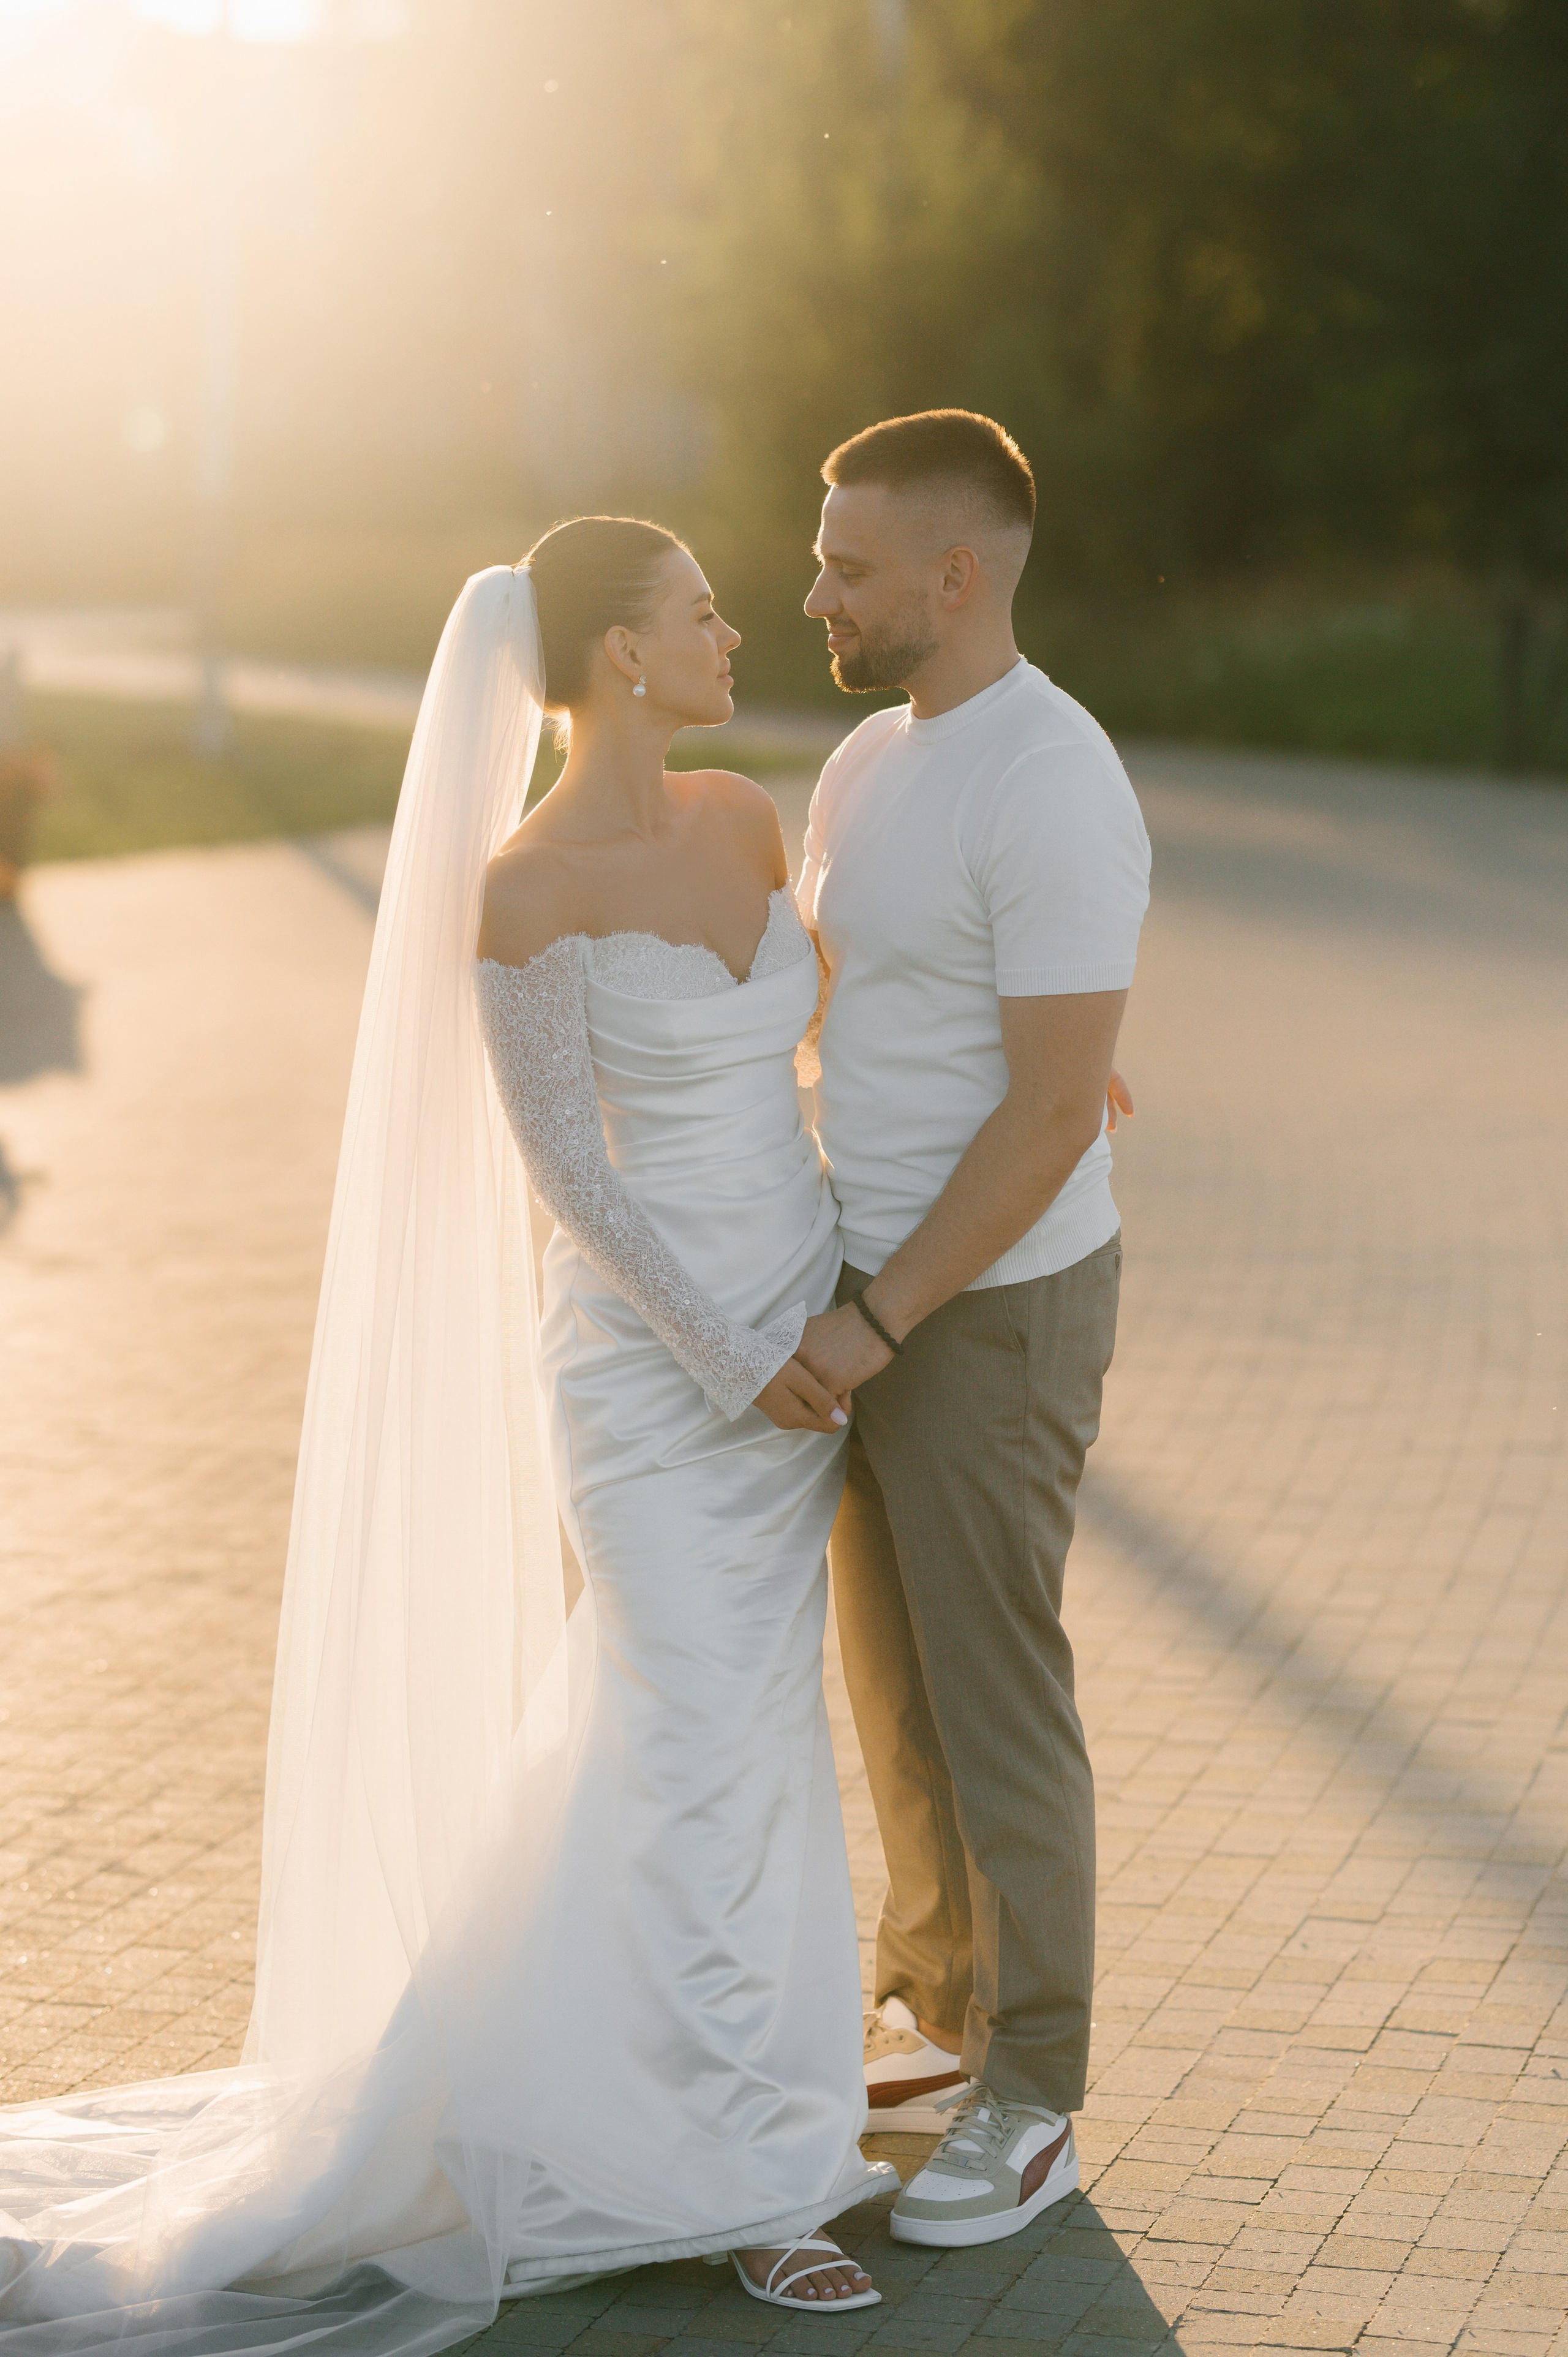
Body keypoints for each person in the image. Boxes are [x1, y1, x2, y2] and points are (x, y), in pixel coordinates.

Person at [0, 526, 889, 2353]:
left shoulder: (743, 818)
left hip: (807, 1349)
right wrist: (735, 1358)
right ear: (620, 657)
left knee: (738, 1742)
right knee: (694, 1732)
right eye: (701, 612)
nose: (735, 633)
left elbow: (807, 1051)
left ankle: (687, 2094)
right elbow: (567, 1172)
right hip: (662, 1383)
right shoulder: (526, 891)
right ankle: (748, 2179)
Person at [793, 410, 1151, 2249]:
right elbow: (869, 1000)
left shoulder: (1054, 775)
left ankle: (1039, 2094)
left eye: (850, 565)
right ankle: (942, 2019)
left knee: (999, 1701)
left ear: (955, 574)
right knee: (898, 1693)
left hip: (984, 1312)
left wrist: (879, 1320)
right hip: (871, 1281)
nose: (815, 592)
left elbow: (1043, 1117)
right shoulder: (868, 758)